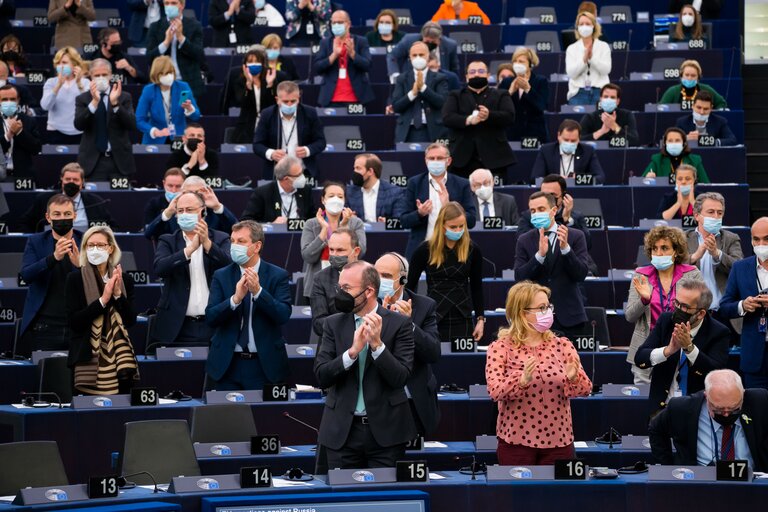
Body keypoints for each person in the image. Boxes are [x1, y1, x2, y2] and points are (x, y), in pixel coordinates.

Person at [314, 260, 416, 469]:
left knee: (382, 498)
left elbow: (400, 377)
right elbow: (321, 375)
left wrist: (377, 346)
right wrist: (351, 353)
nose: (339, 293)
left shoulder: (400, 324)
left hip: (386, 434)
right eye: (339, 287)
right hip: (342, 432)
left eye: (346, 288)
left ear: (369, 291)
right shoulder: (333, 323)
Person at [486, 281, 592, 465]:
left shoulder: (562, 345)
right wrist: (521, 380)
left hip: (559, 443)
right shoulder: (500, 347)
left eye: (548, 307)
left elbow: (585, 389)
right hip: (517, 443)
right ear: (522, 313)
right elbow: (495, 391)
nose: (548, 312)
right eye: (541, 308)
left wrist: (573, 378)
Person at [205, 220, 292, 390]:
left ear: (257, 246)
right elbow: (211, 317)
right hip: (227, 365)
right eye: (233, 241)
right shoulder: (221, 275)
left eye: (241, 241)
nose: (234, 246)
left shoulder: (277, 275)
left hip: (264, 364)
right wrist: (235, 299)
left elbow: (283, 314)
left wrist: (259, 292)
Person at [635, 278, 730, 416]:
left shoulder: (718, 332)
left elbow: (715, 372)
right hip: (662, 408)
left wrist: (690, 349)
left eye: (685, 307)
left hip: (698, 411)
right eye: (677, 303)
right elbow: (640, 358)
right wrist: (667, 351)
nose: (678, 310)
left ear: (701, 313)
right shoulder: (666, 321)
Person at [151, 191, 231, 348]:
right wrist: (188, 250)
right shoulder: (168, 240)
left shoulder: (221, 238)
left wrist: (208, 245)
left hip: (215, 324)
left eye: (189, 210)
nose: (184, 214)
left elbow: (231, 267)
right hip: (178, 326)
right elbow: (160, 268)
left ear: (202, 211)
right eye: (180, 211)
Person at [66, 226, 138, 395]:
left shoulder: (124, 279)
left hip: (120, 360)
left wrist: (118, 295)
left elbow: (130, 321)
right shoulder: (75, 279)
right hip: (86, 358)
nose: (95, 249)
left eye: (100, 245)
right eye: (90, 246)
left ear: (110, 248)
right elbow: (74, 322)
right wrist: (103, 301)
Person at [649, 369, 768, 470]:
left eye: (734, 408)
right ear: (707, 397)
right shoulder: (682, 408)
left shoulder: (760, 402)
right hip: (700, 482)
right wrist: (668, 467)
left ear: (743, 395)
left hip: (751, 481)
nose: (726, 414)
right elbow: (655, 429)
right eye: (718, 409)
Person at [376, 252, 441, 435]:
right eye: (377, 274)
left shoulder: (424, 305)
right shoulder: (365, 304)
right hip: (378, 404)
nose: (380, 280)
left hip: (414, 401)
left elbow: (433, 353)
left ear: (403, 279)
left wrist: (408, 324)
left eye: (387, 276)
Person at [626, 226, 701, 384]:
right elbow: (630, 316)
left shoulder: (692, 274)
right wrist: (644, 300)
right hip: (646, 349)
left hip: (680, 348)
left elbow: (700, 312)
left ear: (676, 251)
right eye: (655, 248)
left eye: (664, 248)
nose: (658, 253)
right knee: (646, 405)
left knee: (677, 404)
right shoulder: (641, 275)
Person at [515, 192, 591, 339]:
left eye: (541, 209)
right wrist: (539, 257)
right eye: (533, 211)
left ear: (554, 210)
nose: (536, 214)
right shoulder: (524, 240)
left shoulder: (575, 236)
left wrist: (566, 249)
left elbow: (580, 274)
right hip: (535, 319)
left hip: (569, 318)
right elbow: (520, 277)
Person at [407, 201, 485, 342]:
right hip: (433, 316)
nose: (457, 230)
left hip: (462, 316)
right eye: (453, 227)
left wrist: (480, 319)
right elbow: (410, 286)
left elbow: (477, 287)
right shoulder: (424, 250)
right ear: (442, 226)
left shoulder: (473, 250)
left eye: (461, 226)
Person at [18, 195, 82, 357]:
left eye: (67, 214)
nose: (62, 218)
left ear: (75, 215)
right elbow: (26, 275)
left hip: (80, 324)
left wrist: (81, 266)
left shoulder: (86, 241)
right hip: (45, 325)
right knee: (46, 377)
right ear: (48, 217)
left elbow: (101, 280)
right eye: (57, 214)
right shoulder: (35, 241)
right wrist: (53, 258)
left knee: (81, 377)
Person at [442, 60, 516, 179]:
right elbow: (447, 118)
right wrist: (469, 120)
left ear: (488, 75)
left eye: (481, 71)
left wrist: (489, 116)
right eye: (472, 72)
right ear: (466, 76)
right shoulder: (455, 95)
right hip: (461, 158)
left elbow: (509, 116)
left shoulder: (501, 94)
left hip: (494, 157)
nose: (476, 74)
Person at [401, 143, 477, 258]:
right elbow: (404, 221)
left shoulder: (462, 184)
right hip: (421, 249)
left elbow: (471, 221)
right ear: (426, 161)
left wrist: (449, 206)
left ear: (449, 161)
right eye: (431, 158)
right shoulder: (415, 183)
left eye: (440, 158)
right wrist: (420, 213)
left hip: (453, 249)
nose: (435, 161)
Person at [720, 218, 768, 389]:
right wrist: (742, 305)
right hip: (754, 357)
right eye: (756, 239)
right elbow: (724, 307)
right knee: (756, 410)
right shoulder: (740, 267)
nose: (761, 244)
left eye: (766, 239)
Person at [687, 192, 744, 331]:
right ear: (697, 216)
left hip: (723, 314)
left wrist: (717, 254)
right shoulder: (684, 239)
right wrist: (695, 256)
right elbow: (674, 270)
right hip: (692, 313)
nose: (715, 217)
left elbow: (740, 268)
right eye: (711, 212)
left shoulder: (730, 239)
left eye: (719, 213)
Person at [301, 181, 367, 300]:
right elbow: (307, 256)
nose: (336, 199)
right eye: (331, 196)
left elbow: (360, 252)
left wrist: (344, 227)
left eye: (340, 196)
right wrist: (324, 231)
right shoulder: (311, 224)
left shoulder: (355, 223)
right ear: (323, 199)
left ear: (344, 200)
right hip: (317, 285)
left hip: (349, 284)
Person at [74, 59, 137, 181]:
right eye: (97, 75)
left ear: (111, 75)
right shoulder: (83, 99)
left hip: (119, 162)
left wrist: (115, 104)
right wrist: (94, 103)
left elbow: (132, 125)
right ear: (90, 76)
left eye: (104, 75)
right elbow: (79, 125)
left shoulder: (124, 96)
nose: (101, 78)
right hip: (93, 162)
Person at [252, 80, 326, 177]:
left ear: (298, 99)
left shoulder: (310, 113)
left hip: (304, 171)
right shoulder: (267, 114)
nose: (290, 105)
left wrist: (307, 150)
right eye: (285, 101)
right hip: (275, 172)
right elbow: (257, 145)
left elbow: (321, 142)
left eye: (293, 101)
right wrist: (271, 153)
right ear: (277, 99)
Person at [18, 163, 115, 233]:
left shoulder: (95, 202)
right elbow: (25, 223)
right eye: (68, 179)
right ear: (61, 180)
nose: (71, 182)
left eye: (75, 180)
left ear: (82, 183)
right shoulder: (44, 200)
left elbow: (112, 226)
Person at [145, 175, 239, 240]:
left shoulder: (215, 213)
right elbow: (149, 235)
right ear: (181, 193)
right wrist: (168, 212)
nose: (193, 196)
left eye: (197, 193)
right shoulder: (174, 215)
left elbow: (237, 231)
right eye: (189, 192)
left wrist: (218, 207)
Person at [313, 10, 374, 108]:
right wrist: (334, 55)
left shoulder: (361, 41)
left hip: (356, 99)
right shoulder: (325, 43)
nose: (336, 25)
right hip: (330, 98)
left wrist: (353, 54)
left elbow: (368, 65)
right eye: (334, 23)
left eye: (340, 22)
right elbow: (317, 68)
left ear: (348, 24)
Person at [391, 41, 450, 143]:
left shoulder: (440, 78)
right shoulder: (402, 79)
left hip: (433, 129)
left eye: (421, 55)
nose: (418, 58)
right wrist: (412, 93)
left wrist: (423, 88)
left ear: (428, 56)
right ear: (410, 58)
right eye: (414, 55)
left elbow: (442, 102)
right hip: (407, 130)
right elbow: (396, 106)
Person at [146, 0, 206, 100]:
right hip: (162, 83)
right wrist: (165, 43)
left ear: (182, 5)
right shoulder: (155, 27)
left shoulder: (194, 26)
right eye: (166, 3)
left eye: (173, 3)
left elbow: (199, 55)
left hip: (186, 84)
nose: (169, 6)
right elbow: (149, 58)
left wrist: (181, 38)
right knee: (164, 114)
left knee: (183, 112)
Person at [310, 228, 361, 343]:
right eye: (331, 250)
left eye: (340, 250)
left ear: (356, 251)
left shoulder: (371, 275)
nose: (334, 255)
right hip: (333, 347)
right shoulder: (320, 278)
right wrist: (353, 324)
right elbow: (318, 324)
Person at [135, 56, 201, 144]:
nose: (169, 76)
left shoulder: (183, 87)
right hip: (155, 140)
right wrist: (154, 131)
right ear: (157, 75)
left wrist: (190, 109)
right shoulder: (149, 90)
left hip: (179, 139)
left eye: (171, 72)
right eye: (165, 73)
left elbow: (196, 116)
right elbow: (139, 120)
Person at [231, 48, 284, 143]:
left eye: (257, 61)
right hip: (247, 125)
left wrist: (269, 86)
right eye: (250, 61)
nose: (254, 64)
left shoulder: (270, 80)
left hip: (268, 124)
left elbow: (273, 104)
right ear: (245, 65)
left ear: (263, 64)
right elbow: (242, 102)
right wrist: (249, 85)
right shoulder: (240, 81)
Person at [240, 155, 314, 223]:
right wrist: (271, 225)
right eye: (299, 175)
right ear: (286, 179)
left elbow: (313, 218)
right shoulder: (262, 193)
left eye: (302, 173)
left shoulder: (305, 190)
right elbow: (245, 221)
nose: (303, 177)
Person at [497, 46, 548, 143]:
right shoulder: (506, 82)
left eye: (521, 61)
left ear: (530, 64)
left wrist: (528, 89)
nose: (517, 64)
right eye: (515, 61)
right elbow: (498, 106)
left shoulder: (541, 81)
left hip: (534, 133)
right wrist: (510, 92)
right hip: (512, 133)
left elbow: (542, 105)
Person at [530, 120, 605, 184]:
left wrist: (579, 178)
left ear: (579, 138)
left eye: (573, 141)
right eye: (566, 140)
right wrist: (555, 180)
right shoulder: (546, 150)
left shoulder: (588, 151)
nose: (569, 143)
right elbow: (535, 178)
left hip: (579, 193)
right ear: (559, 136)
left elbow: (600, 177)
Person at [40, 47, 89, 144]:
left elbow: (89, 105)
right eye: (58, 63)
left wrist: (79, 84)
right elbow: (45, 106)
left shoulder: (85, 82)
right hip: (56, 132)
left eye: (64, 62)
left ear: (74, 64)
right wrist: (58, 85)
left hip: (80, 132)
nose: (61, 66)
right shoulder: (51, 82)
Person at [565, 11, 611, 105]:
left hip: (600, 92)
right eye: (581, 24)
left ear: (593, 26)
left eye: (587, 24)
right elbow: (571, 73)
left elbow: (606, 70)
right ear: (577, 27)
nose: (584, 26)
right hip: (578, 93)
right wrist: (584, 60)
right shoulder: (572, 48)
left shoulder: (603, 46)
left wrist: (592, 58)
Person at [346, 153, 406, 223]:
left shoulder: (395, 193)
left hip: (383, 234)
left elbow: (400, 222)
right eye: (354, 168)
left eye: (358, 168)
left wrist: (387, 223)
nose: (354, 172)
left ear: (370, 171)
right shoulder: (349, 192)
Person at [388, 21, 460, 78]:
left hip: (439, 82)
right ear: (422, 36)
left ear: (439, 38)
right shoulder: (409, 40)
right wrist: (395, 74)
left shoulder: (450, 45)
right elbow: (392, 56)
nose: (430, 44)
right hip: (412, 81)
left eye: (433, 42)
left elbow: (454, 69)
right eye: (427, 42)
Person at [0, 84, 42, 177]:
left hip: (23, 174)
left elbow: (36, 149)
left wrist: (20, 132)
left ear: (18, 100)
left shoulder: (29, 121)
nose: (9, 102)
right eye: (4, 99)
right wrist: (9, 135)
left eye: (12, 99)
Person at [643, 127, 709, 183]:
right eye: (670, 141)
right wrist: (648, 179)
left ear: (684, 143)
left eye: (677, 140)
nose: (674, 144)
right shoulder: (657, 160)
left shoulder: (695, 160)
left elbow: (705, 185)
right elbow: (642, 182)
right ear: (665, 143)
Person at [660, 59, 727, 110]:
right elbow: (661, 107)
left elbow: (721, 103)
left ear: (698, 77)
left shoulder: (706, 89)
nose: (689, 78)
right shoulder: (673, 91)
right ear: (681, 75)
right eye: (687, 75)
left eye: (693, 75)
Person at [143, 167, 184, 237]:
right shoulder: (154, 203)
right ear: (164, 184)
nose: (174, 190)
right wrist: (166, 213)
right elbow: (148, 233)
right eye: (170, 186)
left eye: (178, 186)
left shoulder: (190, 203)